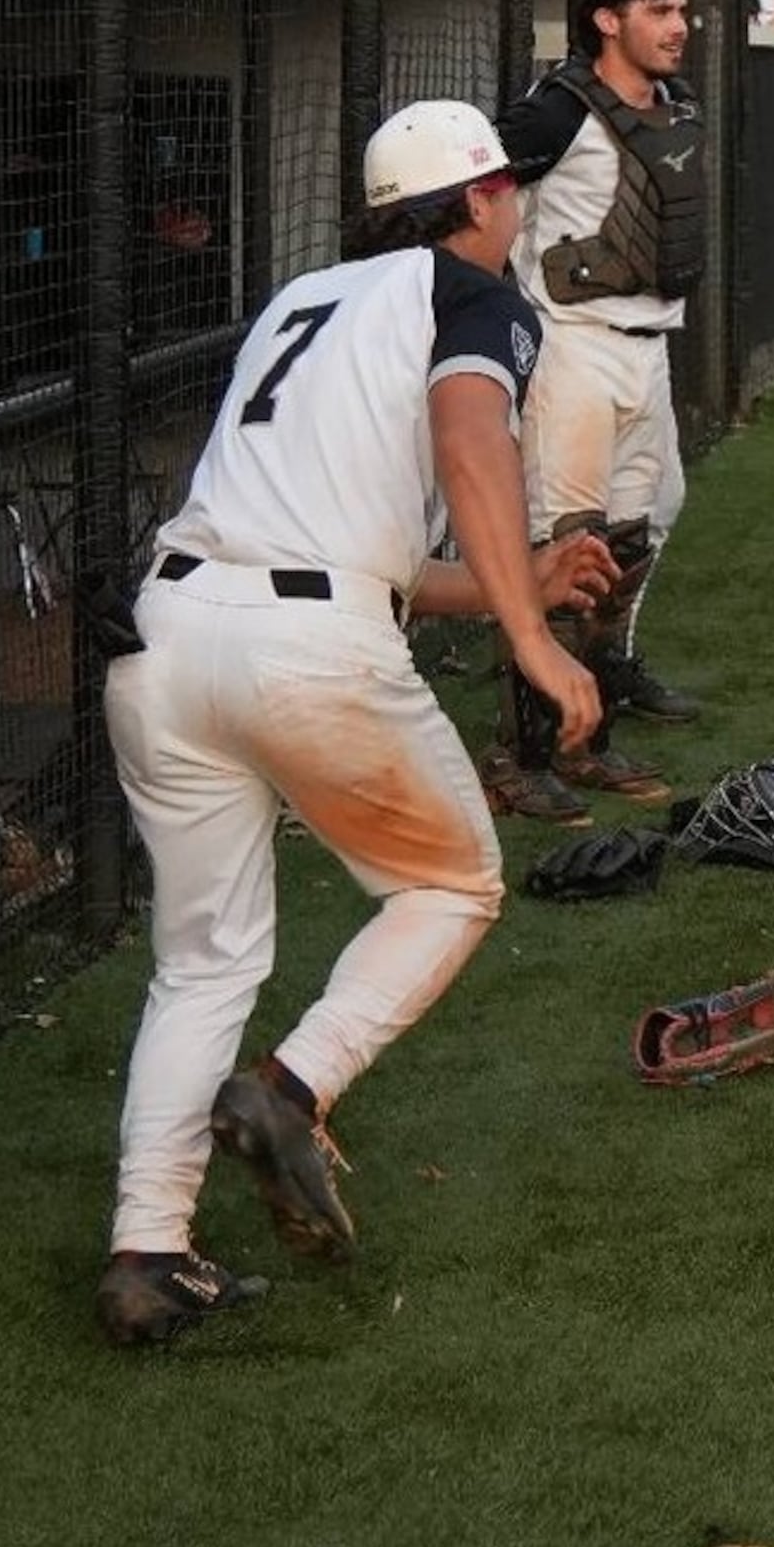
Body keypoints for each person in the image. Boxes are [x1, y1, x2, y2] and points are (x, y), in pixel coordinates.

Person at [97, 101, 617, 1346]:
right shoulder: (473, 297)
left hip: (167, 635)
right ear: (483, 199)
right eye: (512, 186)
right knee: (453, 884)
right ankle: (291, 1091)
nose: (520, 203)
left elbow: (355, 554)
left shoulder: (303, 296)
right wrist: (534, 640)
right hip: (303, 654)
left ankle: (146, 1253)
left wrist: (518, 583)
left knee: (205, 961)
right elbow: (470, 443)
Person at [490, 0, 709, 826]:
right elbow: (477, 190)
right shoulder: (557, 111)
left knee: (632, 539)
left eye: (683, 9)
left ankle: (590, 730)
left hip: (648, 346)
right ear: (606, 19)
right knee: (564, 548)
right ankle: (518, 754)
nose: (680, 26)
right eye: (660, 9)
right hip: (574, 344)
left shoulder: (674, 104)